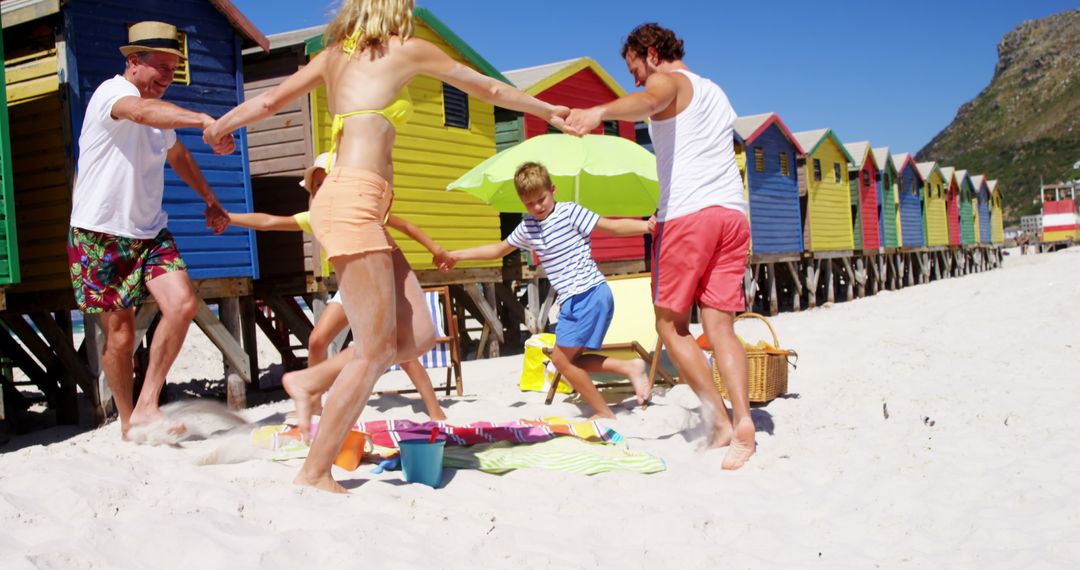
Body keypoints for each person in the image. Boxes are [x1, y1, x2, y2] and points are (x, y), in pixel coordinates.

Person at [203, 0, 568, 492]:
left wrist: (221, 126)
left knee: (416, 333)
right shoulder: (401, 50)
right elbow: (488, 87)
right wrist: (550, 111)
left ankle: (309, 382)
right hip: (352, 199)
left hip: (363, 204)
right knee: (374, 353)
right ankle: (314, 471)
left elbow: (268, 103)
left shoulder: (335, 56)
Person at [563, 23, 755, 469]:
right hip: (732, 213)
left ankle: (722, 421)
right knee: (721, 327)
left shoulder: (665, 81)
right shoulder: (715, 91)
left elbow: (650, 99)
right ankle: (744, 421)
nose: (636, 78)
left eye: (634, 67)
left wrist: (597, 113)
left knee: (671, 327)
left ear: (650, 52)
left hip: (690, 216)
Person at [67, 21, 233, 440]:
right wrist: (203, 118)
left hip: (150, 233)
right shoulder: (112, 94)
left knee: (181, 304)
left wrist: (210, 199)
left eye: (174, 70)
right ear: (134, 62)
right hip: (100, 232)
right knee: (120, 336)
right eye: (160, 66)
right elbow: (139, 113)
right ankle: (127, 420)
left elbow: (178, 157)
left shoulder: (163, 116)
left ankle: (147, 405)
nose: (167, 77)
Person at [225, 153, 447, 421]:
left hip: (383, 281)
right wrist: (229, 217)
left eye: (326, 181)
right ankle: (314, 400)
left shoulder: (361, 210)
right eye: (316, 185)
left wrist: (436, 249)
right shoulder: (317, 217)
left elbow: (407, 225)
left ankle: (434, 409)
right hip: (353, 285)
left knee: (399, 348)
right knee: (318, 340)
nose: (321, 189)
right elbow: (270, 222)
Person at [440, 162, 651, 419]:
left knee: (562, 361)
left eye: (542, 199)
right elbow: (497, 250)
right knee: (567, 361)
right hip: (575, 300)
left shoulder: (569, 212)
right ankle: (630, 367)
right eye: (530, 204)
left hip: (588, 293)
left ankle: (604, 411)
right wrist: (457, 256)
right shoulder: (528, 228)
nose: (538, 207)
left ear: (553, 190)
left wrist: (646, 227)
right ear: (522, 203)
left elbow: (611, 227)